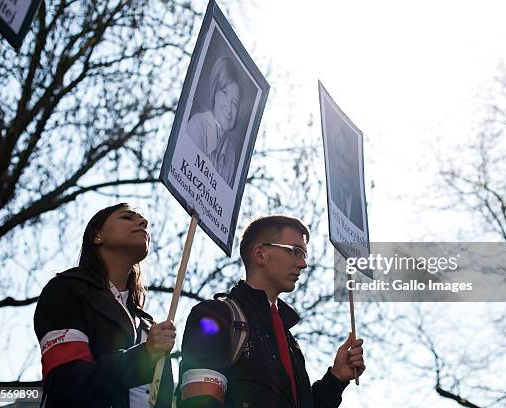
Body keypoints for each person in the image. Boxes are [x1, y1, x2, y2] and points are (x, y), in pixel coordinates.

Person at [177, 215, 365, 407]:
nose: (303, 264)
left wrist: (336, 378)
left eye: (304, 255)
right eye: (295, 251)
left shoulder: (289, 342)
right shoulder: (216, 316)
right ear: (260, 254)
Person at [34, 203, 176, 408]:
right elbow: (67, 382)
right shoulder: (66, 290)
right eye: (127, 217)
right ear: (96, 236)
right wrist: (144, 356)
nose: (143, 222)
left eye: (142, 220)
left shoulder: (149, 326)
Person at [187, 55, 243, 187]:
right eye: (224, 92)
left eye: (234, 103)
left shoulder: (231, 155)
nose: (229, 108)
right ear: (215, 91)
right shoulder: (197, 126)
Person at [328, 120, 364, 230]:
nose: (340, 165)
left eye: (344, 157)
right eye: (337, 156)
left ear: (351, 158)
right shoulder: (333, 200)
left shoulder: (359, 206)